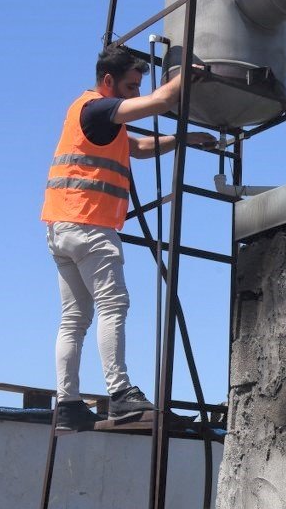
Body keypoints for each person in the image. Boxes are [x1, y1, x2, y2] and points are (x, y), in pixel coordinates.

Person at [41, 45, 216, 432]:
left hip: (61, 227)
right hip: (89, 224)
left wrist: (184, 139)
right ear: (108, 82)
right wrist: (186, 73)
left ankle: (68, 405)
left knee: (74, 318)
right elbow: (160, 101)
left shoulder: (91, 115)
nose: (136, 93)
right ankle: (120, 395)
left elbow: (136, 149)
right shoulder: (98, 108)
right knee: (113, 305)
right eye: (131, 86)